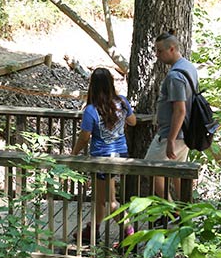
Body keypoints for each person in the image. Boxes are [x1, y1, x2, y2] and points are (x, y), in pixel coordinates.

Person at [71, 67, 136, 244]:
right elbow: (133, 121)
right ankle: (93, 230)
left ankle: (129, 232)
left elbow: (84, 137)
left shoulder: (92, 110)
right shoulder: (122, 102)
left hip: (102, 157)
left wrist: (74, 154)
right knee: (100, 198)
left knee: (110, 200)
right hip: (120, 154)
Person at [145, 30, 197, 200]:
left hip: (171, 134)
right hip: (186, 132)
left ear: (172, 49)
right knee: (177, 173)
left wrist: (171, 140)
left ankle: (172, 211)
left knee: (150, 169)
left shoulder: (175, 76)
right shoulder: (189, 67)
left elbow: (180, 110)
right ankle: (184, 212)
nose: (157, 55)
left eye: (160, 51)